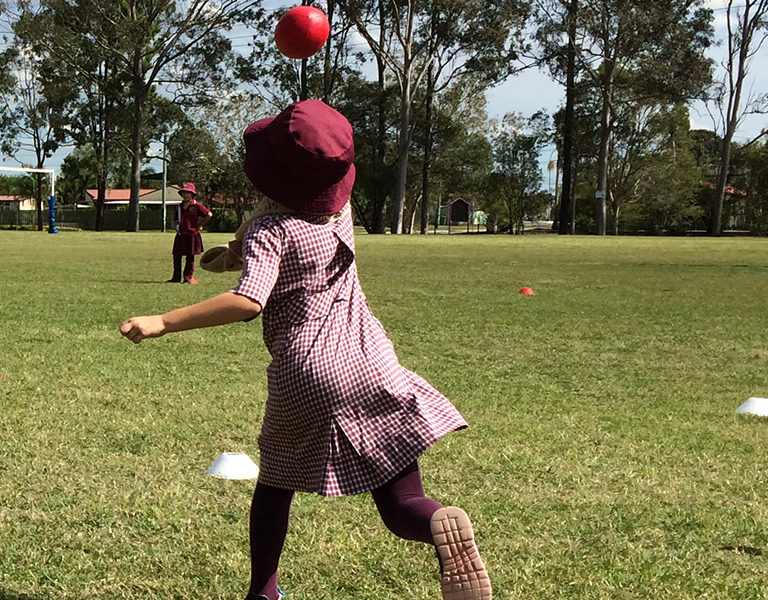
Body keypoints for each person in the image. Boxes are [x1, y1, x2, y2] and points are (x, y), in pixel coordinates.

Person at [117, 100, 491, 600]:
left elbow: (250, 300)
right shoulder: (340, 212)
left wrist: (163, 320)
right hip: (372, 361)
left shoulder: (272, 230)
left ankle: (264, 592)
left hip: (307, 371)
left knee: (274, 485)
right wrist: (235, 253)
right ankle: (439, 524)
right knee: (403, 502)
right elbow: (290, 225)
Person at [170, 182, 211, 284]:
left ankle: (187, 278)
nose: (186, 195)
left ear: (192, 194)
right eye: (184, 192)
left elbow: (209, 214)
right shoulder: (179, 206)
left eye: (188, 193)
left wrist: (201, 224)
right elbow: (175, 220)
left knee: (190, 257)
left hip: (192, 235)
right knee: (177, 256)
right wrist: (175, 226)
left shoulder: (196, 205)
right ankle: (176, 278)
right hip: (180, 234)